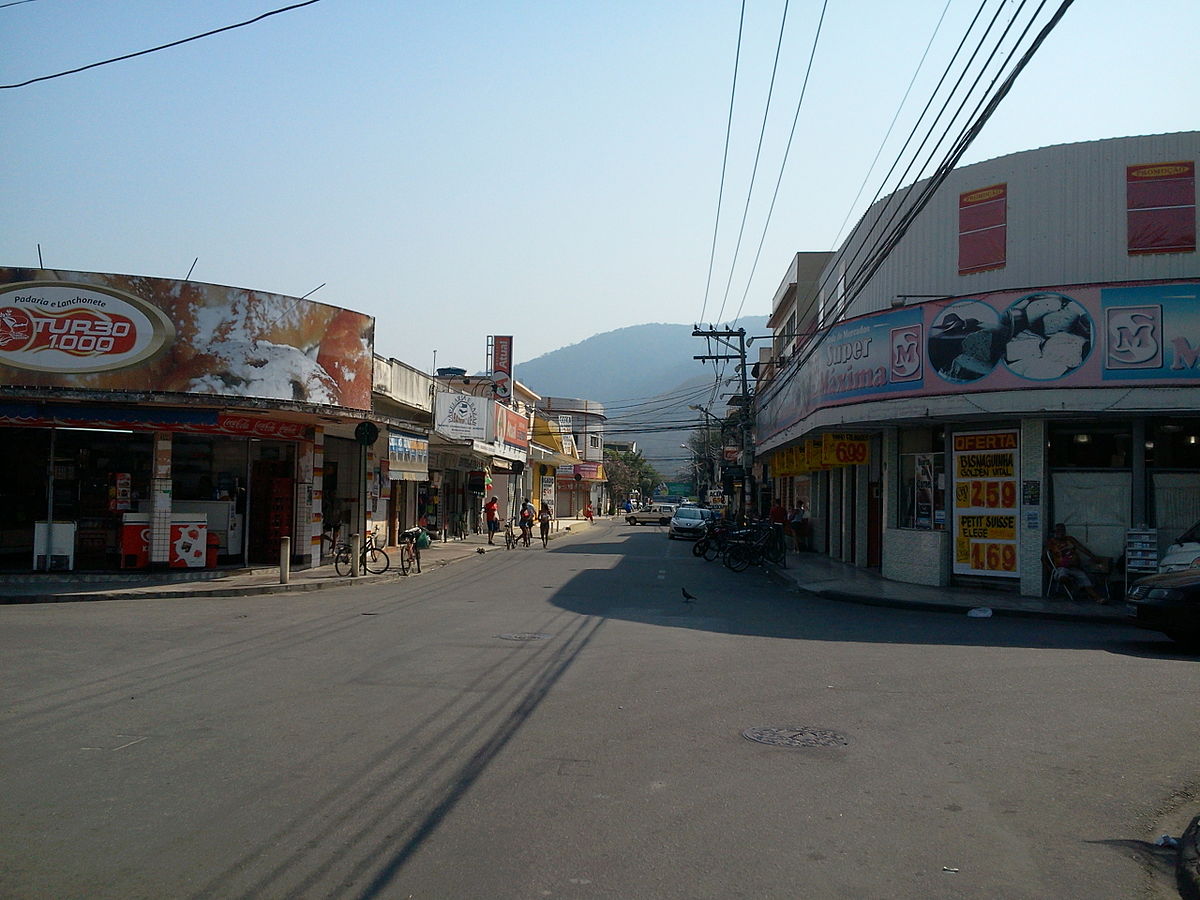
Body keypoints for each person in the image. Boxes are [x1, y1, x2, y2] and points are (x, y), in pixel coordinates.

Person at [1045, 522, 1104, 602]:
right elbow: (1043, 557)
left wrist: (1093, 556)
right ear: (1055, 532)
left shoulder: (1070, 539)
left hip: (1075, 567)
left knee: (1085, 580)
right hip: (1062, 568)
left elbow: (1082, 548)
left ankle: (1098, 598)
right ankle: (1073, 586)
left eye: (1062, 530)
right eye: (1058, 530)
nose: (1060, 532)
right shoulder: (1051, 542)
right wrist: (1050, 569)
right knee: (1062, 577)